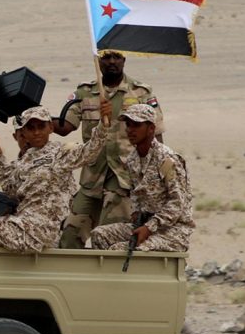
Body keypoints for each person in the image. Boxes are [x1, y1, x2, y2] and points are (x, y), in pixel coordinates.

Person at [0, 106, 108, 252]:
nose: (36, 132)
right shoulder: (24, 162)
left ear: (50, 128)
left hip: (42, 231)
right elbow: (10, 189)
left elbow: (90, 150)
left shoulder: (61, 153)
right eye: (31, 128)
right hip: (24, 225)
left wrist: (103, 123)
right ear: (24, 133)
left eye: (41, 126)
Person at [54, 50, 165, 249]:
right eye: (106, 57)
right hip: (92, 178)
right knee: (70, 235)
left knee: (107, 238)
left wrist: (153, 178)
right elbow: (65, 127)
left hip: (124, 179)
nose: (112, 61)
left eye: (117, 57)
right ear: (98, 61)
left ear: (124, 60)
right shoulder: (85, 93)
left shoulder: (140, 92)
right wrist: (35, 116)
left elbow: (156, 136)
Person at [91, 104, 194, 251]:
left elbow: (178, 203)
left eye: (136, 125)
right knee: (99, 234)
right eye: (128, 125)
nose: (130, 130)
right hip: (145, 225)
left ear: (151, 128)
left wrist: (149, 227)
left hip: (173, 232)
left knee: (118, 250)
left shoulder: (167, 159)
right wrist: (137, 215)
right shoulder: (132, 160)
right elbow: (135, 194)